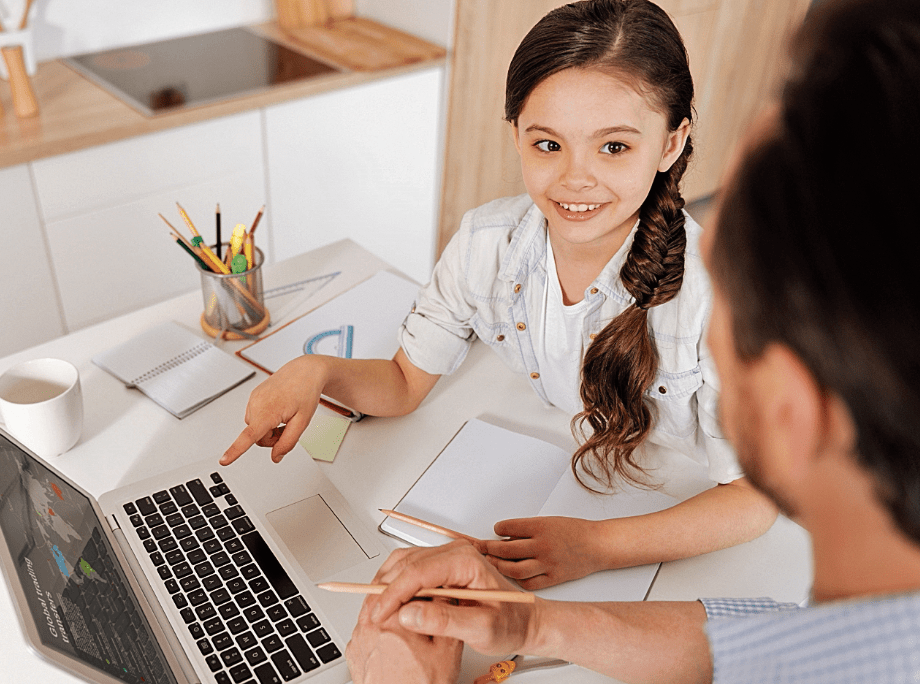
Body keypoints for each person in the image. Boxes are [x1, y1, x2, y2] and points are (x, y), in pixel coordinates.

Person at [345, 0, 920, 681]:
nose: (577, 175)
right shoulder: (861, 638)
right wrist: (530, 624)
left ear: (792, 407)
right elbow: (761, 644)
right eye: (548, 142)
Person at [224, 0, 777, 590]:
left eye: (614, 147)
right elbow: (407, 383)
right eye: (548, 144)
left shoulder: (719, 297)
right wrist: (318, 371)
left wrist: (598, 546)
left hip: (670, 525)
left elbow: (756, 498)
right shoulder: (486, 244)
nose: (575, 178)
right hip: (563, 473)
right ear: (516, 136)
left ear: (671, 143)